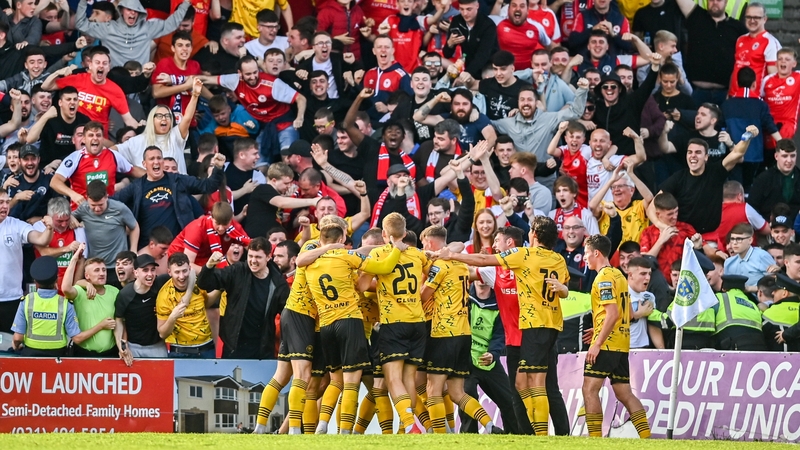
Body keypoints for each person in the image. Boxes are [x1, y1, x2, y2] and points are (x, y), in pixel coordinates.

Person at [438, 216, 568, 436]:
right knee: (521, 384)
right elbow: (564, 288)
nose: (495, 245)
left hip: (534, 326)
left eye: (497, 240)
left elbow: (483, 259)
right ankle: (531, 433)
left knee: (539, 383)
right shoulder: (558, 259)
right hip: (546, 326)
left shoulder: (524, 255)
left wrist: (450, 255)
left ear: (534, 235)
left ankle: (544, 436)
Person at [419, 225, 504, 434]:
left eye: (424, 244)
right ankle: (490, 425)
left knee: (433, 389)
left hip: (443, 333)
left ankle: (440, 438)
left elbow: (423, 296)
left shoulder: (440, 266)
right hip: (464, 334)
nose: (424, 248)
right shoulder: (461, 266)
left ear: (430, 242)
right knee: (457, 392)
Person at [581, 234, 651, 438]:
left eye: (586, 253)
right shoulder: (619, 276)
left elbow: (612, 313)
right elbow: (627, 313)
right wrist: (598, 327)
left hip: (606, 345)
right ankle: (647, 438)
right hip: (622, 343)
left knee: (589, 389)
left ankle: (595, 441)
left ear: (596, 253)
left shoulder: (603, 278)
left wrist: (597, 342)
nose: (584, 257)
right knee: (624, 393)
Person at [652, 129, 759, 240]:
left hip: (709, 238)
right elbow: (652, 206)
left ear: (706, 157)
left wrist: (748, 136)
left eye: (698, 152)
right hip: (683, 236)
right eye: (690, 152)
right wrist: (661, 226)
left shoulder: (716, 171)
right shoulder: (678, 178)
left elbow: (737, 153)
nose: (693, 156)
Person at [113, 146, 226, 248]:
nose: (156, 161)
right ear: (144, 164)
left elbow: (207, 186)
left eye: (159, 158)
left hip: (177, 245)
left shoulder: (178, 180)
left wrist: (218, 168)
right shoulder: (136, 187)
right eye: (151, 159)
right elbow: (113, 202)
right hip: (148, 248)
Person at [197, 237, 289, 359]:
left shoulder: (278, 283)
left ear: (268, 257)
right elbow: (204, 283)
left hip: (262, 348)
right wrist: (209, 266)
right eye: (250, 256)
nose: (253, 261)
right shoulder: (237, 271)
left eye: (258, 257)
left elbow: (288, 314)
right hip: (234, 345)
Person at [40, 46, 143, 133]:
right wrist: (58, 73)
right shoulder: (77, 79)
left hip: (97, 137)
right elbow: (46, 86)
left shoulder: (115, 90)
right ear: (90, 65)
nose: (101, 66)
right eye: (97, 62)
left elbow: (128, 120)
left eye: (104, 63)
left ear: (108, 67)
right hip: (74, 134)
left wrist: (142, 128)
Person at [11, 255, 95, 356]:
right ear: (56, 280)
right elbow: (76, 336)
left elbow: (18, 338)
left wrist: (16, 345)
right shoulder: (65, 303)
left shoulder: (27, 301)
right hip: (58, 356)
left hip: (31, 355)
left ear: (35, 282)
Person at [50, 121, 145, 206]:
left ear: (103, 139)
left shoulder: (113, 155)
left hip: (108, 209)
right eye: (91, 135)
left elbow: (133, 170)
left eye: (98, 135)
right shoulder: (74, 158)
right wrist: (73, 195)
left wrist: (153, 176)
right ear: (84, 139)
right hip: (82, 211)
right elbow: (54, 182)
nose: (95, 138)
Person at [74, 0, 190, 67]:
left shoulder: (147, 28)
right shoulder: (108, 28)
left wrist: (185, 3)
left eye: (136, 10)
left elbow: (171, 24)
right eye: (129, 9)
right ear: (121, 10)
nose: (133, 13)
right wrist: (83, 1)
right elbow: (81, 24)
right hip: (114, 81)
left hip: (139, 82)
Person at [674, 0, 747, 105]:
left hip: (725, 94)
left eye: (719, 0)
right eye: (711, 0)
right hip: (696, 92)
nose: (715, 2)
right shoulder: (697, 16)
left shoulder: (737, 27)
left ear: (726, 2)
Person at [73, 180, 140, 286]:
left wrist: (133, 250)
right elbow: (67, 218)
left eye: (100, 204)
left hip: (117, 266)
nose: (97, 208)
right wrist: (72, 219)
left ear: (107, 197)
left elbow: (135, 227)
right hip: (95, 266)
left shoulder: (119, 208)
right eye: (93, 205)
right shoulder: (83, 209)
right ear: (87, 198)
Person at [61, 245, 119, 357]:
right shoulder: (80, 291)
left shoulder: (115, 291)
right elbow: (66, 288)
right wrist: (74, 260)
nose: (102, 273)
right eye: (96, 270)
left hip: (111, 353)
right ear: (87, 275)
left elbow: (120, 322)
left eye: (104, 270)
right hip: (84, 354)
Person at [157, 252, 216, 358]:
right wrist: (173, 317)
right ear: (169, 272)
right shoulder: (164, 295)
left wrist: (220, 289)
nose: (182, 276)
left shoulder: (199, 283)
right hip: (180, 351)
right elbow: (162, 334)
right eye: (177, 272)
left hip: (206, 348)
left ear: (189, 268)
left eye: (184, 271)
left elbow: (206, 303)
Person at [114, 254, 169, 363]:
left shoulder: (161, 283)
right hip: (133, 348)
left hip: (157, 346)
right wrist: (122, 346)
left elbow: (185, 274)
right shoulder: (125, 295)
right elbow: (119, 320)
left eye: (153, 270)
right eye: (145, 270)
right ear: (136, 273)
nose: (150, 274)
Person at [20, 86, 89, 169]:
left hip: (75, 165)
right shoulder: (51, 119)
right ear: (60, 103)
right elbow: (30, 139)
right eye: (68, 99)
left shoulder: (84, 121)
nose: (72, 102)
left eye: (75, 99)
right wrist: (45, 116)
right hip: (49, 166)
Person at [33, 197, 88, 293]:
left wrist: (75, 289)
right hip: (45, 287)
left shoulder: (77, 229)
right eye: (59, 221)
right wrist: (67, 248)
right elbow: (43, 253)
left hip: (68, 285)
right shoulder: (39, 227)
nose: (64, 224)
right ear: (49, 217)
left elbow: (81, 261)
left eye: (67, 220)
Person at [727, 3, 781, 97]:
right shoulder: (740, 39)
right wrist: (729, 93)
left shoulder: (770, 42)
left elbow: (775, 77)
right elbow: (736, 68)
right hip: (735, 96)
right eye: (749, 17)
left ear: (765, 19)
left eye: (756, 17)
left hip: (755, 98)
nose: (752, 20)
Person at [443, 0, 498, 79]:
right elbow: (447, 54)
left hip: (489, 64)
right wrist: (450, 44)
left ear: (477, 6)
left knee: (486, 77)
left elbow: (483, 55)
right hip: (468, 63)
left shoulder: (488, 25)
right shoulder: (456, 21)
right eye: (461, 9)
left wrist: (467, 73)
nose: (465, 13)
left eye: (469, 9)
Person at [713, 274, 768, 351]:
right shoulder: (752, 304)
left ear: (723, 289)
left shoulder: (718, 297)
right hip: (758, 345)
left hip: (732, 344)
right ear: (744, 290)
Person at [749, 140, 800, 221]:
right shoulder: (763, 179)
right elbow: (751, 208)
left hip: (795, 226)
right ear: (776, 156)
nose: (789, 160)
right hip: (768, 225)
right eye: (785, 156)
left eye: (792, 156)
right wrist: (764, 226)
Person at [762, 273, 800, 352]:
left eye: (775, 290)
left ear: (784, 293)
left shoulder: (770, 312)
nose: (772, 293)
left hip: (780, 358)